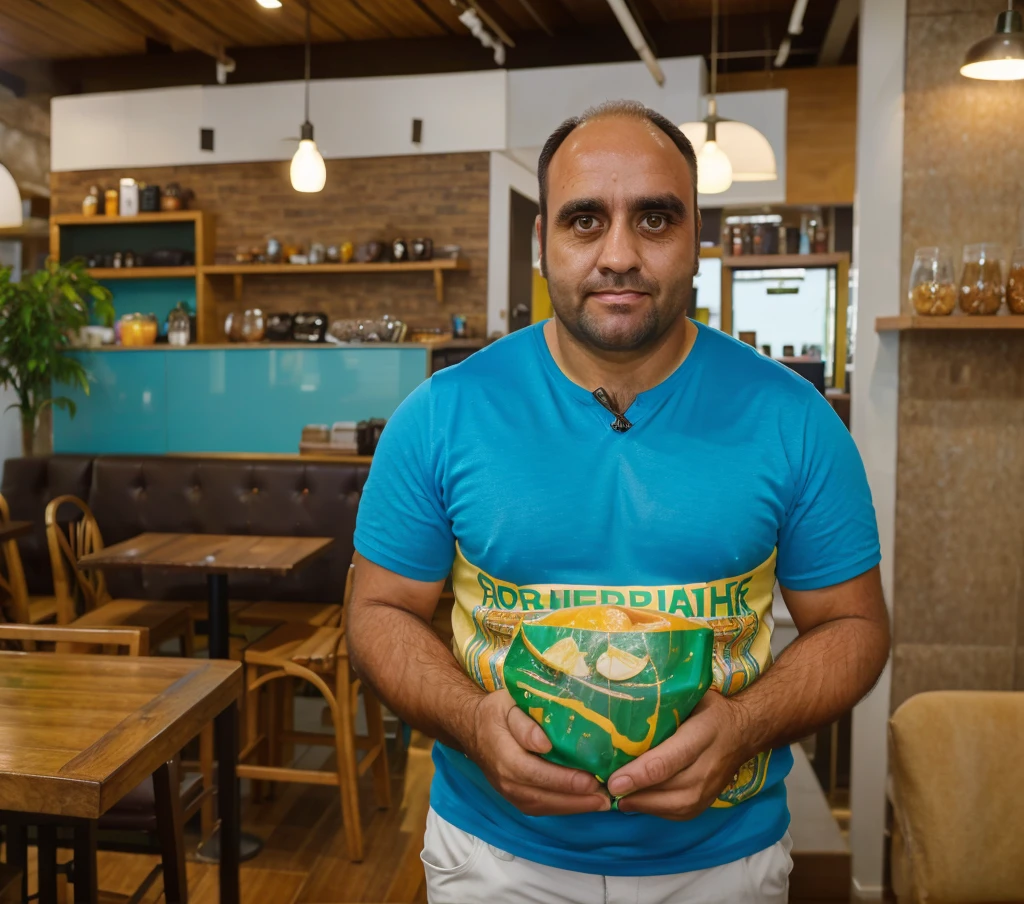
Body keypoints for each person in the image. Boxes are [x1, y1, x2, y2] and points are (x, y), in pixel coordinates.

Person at [348, 100, 890, 904]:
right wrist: (470, 723)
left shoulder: (793, 418)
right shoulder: (441, 414)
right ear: (542, 245)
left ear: (696, 240)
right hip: (494, 857)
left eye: (656, 219)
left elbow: (855, 628)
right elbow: (377, 611)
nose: (619, 255)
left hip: (723, 859)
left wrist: (744, 727)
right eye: (584, 220)